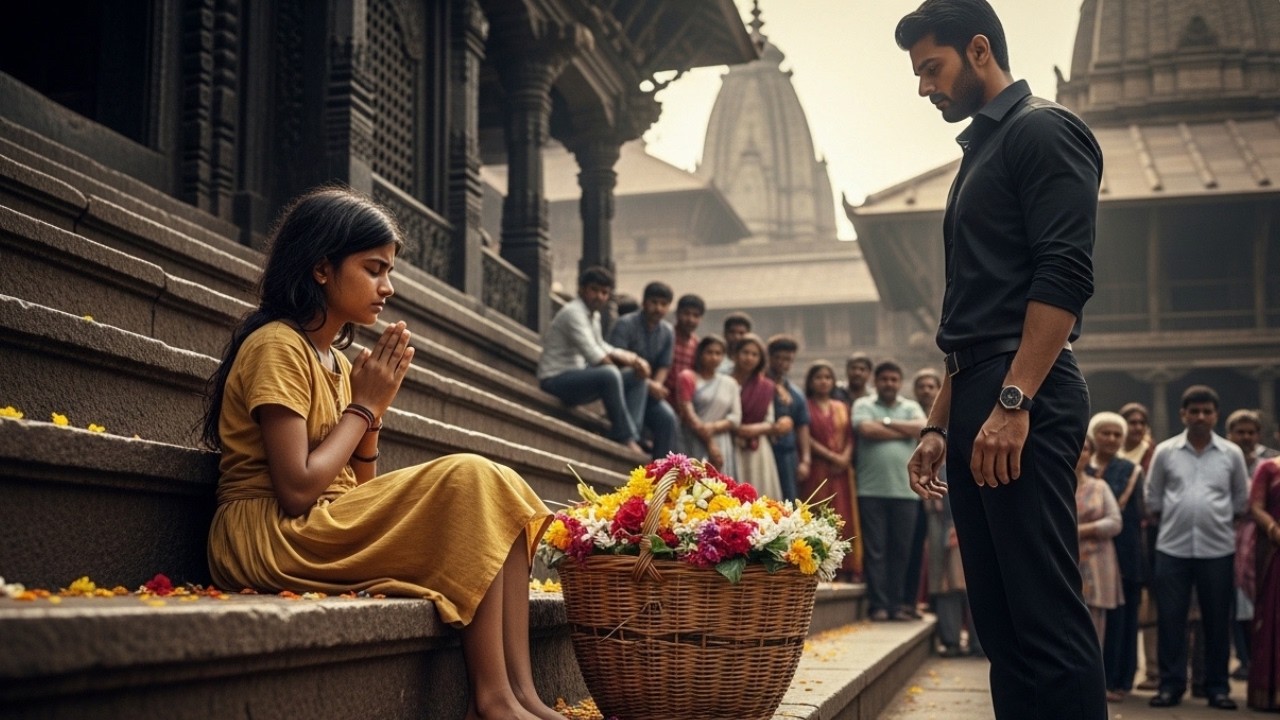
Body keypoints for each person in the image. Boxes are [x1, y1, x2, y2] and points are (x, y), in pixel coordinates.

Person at [200, 187, 561, 720]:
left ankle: (520, 696)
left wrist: (370, 416)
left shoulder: (340, 364)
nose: (387, 287)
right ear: (322, 268)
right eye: (373, 269)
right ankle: (491, 701)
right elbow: (297, 489)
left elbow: (359, 491)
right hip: (269, 534)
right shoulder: (277, 345)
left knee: (497, 488)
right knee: (471, 477)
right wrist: (363, 409)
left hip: (322, 521)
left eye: (388, 271)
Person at [896, 1, 1107, 716]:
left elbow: (1063, 275)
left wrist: (1014, 403)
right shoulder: (981, 151)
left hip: (1026, 392)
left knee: (1043, 613)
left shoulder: (1042, 131)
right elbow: (974, 311)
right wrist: (935, 425)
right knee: (1002, 623)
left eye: (933, 67)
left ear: (979, 49)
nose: (924, 87)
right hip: (978, 386)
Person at [1145, 385, 1251, 710]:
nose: (1201, 417)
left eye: (1207, 411)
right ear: (1183, 414)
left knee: (1217, 621)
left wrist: (1211, 520)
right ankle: (1170, 686)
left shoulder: (1231, 454)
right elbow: (1153, 498)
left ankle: (1216, 688)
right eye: (1195, 411)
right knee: (1171, 620)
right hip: (1172, 549)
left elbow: (1240, 501)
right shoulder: (1165, 452)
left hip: (1217, 549)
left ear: (1216, 415)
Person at [537, 266, 649, 455]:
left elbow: (603, 346)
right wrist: (617, 372)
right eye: (594, 290)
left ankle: (631, 434)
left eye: (604, 292)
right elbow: (595, 355)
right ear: (581, 289)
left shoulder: (593, 315)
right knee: (609, 373)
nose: (599, 296)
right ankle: (625, 436)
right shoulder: (573, 313)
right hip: (555, 380)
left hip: (575, 375)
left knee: (637, 378)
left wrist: (636, 361)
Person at [853, 359, 925, 621]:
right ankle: (879, 605)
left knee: (901, 550)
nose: (889, 384)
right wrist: (902, 430)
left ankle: (896, 605)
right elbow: (866, 429)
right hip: (871, 490)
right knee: (876, 549)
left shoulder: (912, 406)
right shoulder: (863, 405)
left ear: (900, 382)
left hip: (906, 491)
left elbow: (921, 429)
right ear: (876, 381)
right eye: (884, 379)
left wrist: (884, 423)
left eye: (894, 380)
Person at [1087, 411, 1145, 703]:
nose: (1110, 439)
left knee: (1123, 620)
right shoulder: (1081, 468)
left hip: (1124, 554)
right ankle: (1092, 678)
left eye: (1116, 435)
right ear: (1093, 436)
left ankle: (1120, 680)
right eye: (1104, 433)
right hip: (1086, 557)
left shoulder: (1131, 470)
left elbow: (1139, 516)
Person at [1227, 409, 1278, 682]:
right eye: (1240, 432)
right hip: (1231, 534)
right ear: (1230, 434)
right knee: (1239, 600)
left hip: (1265, 539)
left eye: (1251, 432)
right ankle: (1245, 658)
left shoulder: (1270, 460)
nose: (1246, 437)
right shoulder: (1224, 456)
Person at [804, 360, 863, 583]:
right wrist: (831, 456)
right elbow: (805, 436)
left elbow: (849, 436)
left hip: (842, 471)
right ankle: (818, 565)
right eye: (818, 377)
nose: (823, 382)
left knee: (844, 516)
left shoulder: (842, 406)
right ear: (811, 381)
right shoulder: (806, 405)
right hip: (818, 469)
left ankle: (847, 568)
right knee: (818, 513)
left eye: (828, 377)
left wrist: (845, 457)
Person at [607, 281, 678, 459]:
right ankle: (631, 438)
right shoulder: (625, 324)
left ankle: (661, 471)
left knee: (667, 417)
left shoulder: (667, 331)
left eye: (663, 304)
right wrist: (649, 384)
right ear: (644, 302)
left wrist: (656, 385)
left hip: (646, 388)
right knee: (637, 376)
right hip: (621, 383)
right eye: (654, 302)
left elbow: (664, 364)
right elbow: (615, 359)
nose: (658, 308)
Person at [1118, 401, 1160, 692]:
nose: (1136, 427)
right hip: (1121, 539)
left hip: (1149, 537)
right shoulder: (1111, 455)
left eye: (1140, 422)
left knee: (1151, 606)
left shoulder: (1153, 454)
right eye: (1130, 422)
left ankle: (1154, 670)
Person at [902, 368, 943, 618]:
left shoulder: (950, 414)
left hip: (943, 494)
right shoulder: (908, 411)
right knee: (914, 546)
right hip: (912, 490)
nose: (926, 390)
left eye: (931, 386)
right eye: (922, 386)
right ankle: (912, 599)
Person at [1076, 436, 1124, 650]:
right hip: (1063, 559)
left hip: (1096, 563)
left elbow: (1114, 523)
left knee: (1095, 627)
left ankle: (1092, 681)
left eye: (1085, 448)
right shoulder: (1052, 484)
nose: (1079, 452)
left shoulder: (1099, 487)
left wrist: (1080, 531)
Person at [675, 335, 740, 476]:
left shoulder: (730, 383)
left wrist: (713, 427)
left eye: (718, 353)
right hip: (692, 437)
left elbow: (735, 418)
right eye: (709, 352)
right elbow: (688, 413)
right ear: (700, 354)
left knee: (719, 485)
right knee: (689, 479)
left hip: (721, 439)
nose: (714, 357)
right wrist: (710, 442)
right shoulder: (688, 377)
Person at [731, 333, 783, 499]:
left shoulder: (765, 386)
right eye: (745, 352)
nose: (749, 358)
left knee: (760, 494)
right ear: (736, 354)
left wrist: (749, 430)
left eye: (755, 354)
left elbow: (770, 420)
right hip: (730, 444)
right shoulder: (725, 381)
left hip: (758, 447)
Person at [1248, 454, 1280, 710]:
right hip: (1276, 552)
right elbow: (1256, 506)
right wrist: (1274, 530)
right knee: (1273, 618)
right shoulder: (1270, 468)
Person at [766, 335, 812, 501]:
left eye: (787, 359)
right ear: (769, 357)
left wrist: (805, 460)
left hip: (787, 454)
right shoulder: (759, 386)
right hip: (764, 450)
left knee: (789, 501)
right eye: (778, 358)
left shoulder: (795, 393)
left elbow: (802, 426)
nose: (782, 363)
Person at [664, 294, 704, 402]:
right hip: (662, 395)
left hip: (685, 400)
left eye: (696, 316)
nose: (690, 319)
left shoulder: (698, 344)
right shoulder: (665, 336)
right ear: (677, 314)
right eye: (686, 313)